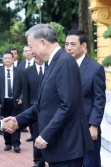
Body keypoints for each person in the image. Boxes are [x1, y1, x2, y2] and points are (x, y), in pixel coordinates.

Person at [4, 24, 94, 167]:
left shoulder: (64, 62)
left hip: (67, 147)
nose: (30, 51)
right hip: (60, 147)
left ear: (42, 43)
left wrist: (46, 135)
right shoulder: (54, 63)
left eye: (31, 46)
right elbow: (43, 105)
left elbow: (68, 105)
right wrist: (17, 120)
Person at [65, 29, 106, 167]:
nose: (69, 48)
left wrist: (94, 124)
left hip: (87, 126)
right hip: (66, 125)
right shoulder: (62, 67)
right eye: (66, 44)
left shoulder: (95, 68)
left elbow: (99, 100)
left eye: (72, 44)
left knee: (90, 163)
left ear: (83, 46)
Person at [0, 51, 23, 153]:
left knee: (15, 123)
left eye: (9, 58)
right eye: (5, 58)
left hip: (15, 102)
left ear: (13, 59)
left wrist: (21, 97)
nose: (7, 60)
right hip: (3, 102)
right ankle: (8, 143)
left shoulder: (19, 71)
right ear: (3, 60)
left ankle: (16, 144)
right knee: (5, 123)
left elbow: (23, 87)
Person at [23, 56, 46, 167]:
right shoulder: (27, 71)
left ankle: (51, 158)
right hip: (34, 108)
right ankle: (38, 160)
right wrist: (26, 113)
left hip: (49, 107)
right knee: (36, 134)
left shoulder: (51, 68)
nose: (38, 57)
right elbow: (26, 92)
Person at [19, 46, 36, 140]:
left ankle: (36, 133)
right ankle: (32, 133)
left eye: (30, 50)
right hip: (26, 95)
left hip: (35, 94)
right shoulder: (20, 66)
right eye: (26, 51)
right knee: (29, 115)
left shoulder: (38, 63)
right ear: (23, 53)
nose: (28, 52)